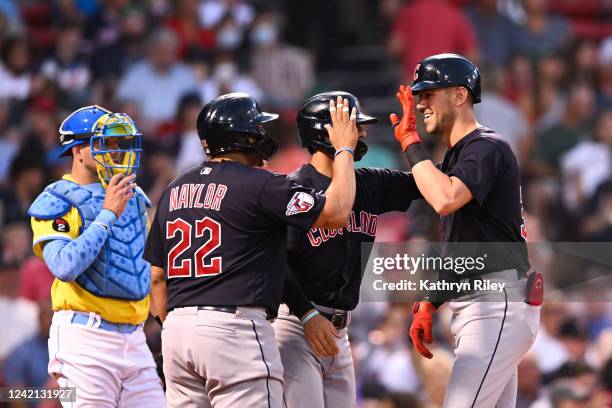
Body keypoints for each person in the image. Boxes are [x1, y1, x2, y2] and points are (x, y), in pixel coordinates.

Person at [144, 92, 359, 407]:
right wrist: (344, 149)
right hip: (234, 329)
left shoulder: (174, 189)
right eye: (258, 128)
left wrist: (172, 331)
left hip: (177, 331)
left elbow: (157, 279)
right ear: (244, 137)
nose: (264, 135)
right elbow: (336, 213)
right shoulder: (260, 184)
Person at [391, 53, 541, 408]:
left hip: (495, 305)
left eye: (429, 93)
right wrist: (433, 298)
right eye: (419, 94)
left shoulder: (485, 145)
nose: (420, 102)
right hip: (486, 304)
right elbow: (463, 245)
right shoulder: (459, 155)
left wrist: (411, 143)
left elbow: (446, 198)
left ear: (459, 96)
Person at [273, 91, 420, 407]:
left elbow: (429, 183)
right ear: (328, 132)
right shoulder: (294, 188)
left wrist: (414, 142)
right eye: (355, 127)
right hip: (297, 324)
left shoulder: (369, 183)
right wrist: (307, 313)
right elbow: (275, 263)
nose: (362, 134)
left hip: (340, 331)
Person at [28, 105, 165, 407]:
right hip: (85, 337)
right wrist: (106, 215)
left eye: (118, 143)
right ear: (78, 150)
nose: (115, 151)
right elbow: (64, 266)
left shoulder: (133, 198)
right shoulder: (56, 200)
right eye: (105, 142)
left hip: (135, 339)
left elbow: (145, 270)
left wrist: (166, 326)